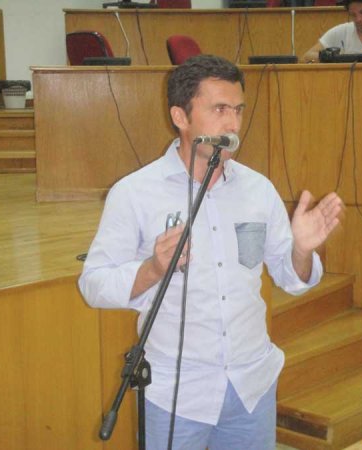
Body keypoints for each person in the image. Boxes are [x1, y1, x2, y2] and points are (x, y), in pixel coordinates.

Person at [78, 54, 343, 450]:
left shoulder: (258, 190)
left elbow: (292, 278)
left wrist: (301, 251)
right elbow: (93, 284)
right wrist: (153, 269)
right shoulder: (134, 193)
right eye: (219, 109)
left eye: (238, 110)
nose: (233, 124)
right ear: (180, 117)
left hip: (251, 388)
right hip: (177, 395)